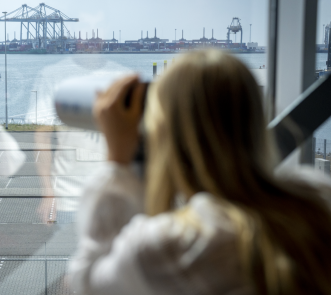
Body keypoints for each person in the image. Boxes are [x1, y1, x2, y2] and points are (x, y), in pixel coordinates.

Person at [69, 49, 331, 295]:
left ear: (163, 134)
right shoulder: (317, 199)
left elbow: (88, 283)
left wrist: (116, 161)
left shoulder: (172, 245)